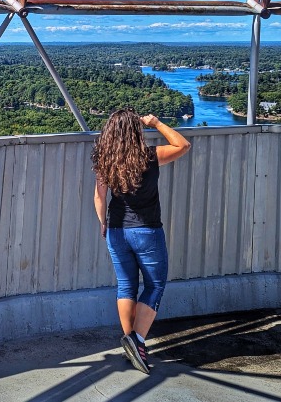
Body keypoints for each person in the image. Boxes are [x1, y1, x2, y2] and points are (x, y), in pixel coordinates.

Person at [93, 108, 191, 374]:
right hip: (147, 230)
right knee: (155, 285)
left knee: (126, 285)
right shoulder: (150, 157)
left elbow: (100, 198)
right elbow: (182, 145)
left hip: (116, 230)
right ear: (135, 132)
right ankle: (137, 340)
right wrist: (156, 122)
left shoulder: (106, 160)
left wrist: (103, 222)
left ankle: (131, 343)